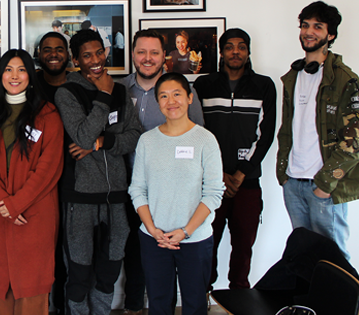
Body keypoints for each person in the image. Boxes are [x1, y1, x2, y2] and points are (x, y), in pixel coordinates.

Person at [53, 29, 141, 315]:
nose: (95, 60)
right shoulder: (67, 92)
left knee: (110, 268)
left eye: (99, 52)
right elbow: (81, 136)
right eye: (86, 55)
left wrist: (102, 143)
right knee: (79, 271)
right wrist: (103, 95)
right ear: (76, 60)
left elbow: (135, 136)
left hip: (116, 196)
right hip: (80, 198)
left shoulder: (121, 91)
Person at [117, 29, 203, 315]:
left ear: (164, 56)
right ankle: (133, 307)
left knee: (165, 257)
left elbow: (198, 139)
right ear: (132, 54)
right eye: (141, 52)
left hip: (167, 195)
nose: (147, 58)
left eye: (154, 52)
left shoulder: (179, 94)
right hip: (124, 187)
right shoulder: (119, 90)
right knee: (132, 253)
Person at [0, 48, 64, 315]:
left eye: (21, 69)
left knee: (33, 286)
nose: (15, 76)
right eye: (8, 70)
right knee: (5, 284)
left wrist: (16, 205)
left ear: (31, 75)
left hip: (34, 213)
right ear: (0, 75)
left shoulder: (47, 115)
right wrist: (4, 203)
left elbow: (48, 169)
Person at [128, 72, 225, 315]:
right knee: (159, 303)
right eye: (163, 96)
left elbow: (213, 193)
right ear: (157, 102)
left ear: (190, 98)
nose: (171, 101)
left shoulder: (206, 140)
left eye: (177, 94)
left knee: (194, 303)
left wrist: (186, 231)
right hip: (154, 238)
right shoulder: (147, 141)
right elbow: (137, 190)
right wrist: (153, 230)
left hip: (195, 238)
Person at [194, 28, 277, 291]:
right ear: (222, 52)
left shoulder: (264, 86)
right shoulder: (204, 85)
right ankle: (203, 296)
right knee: (206, 242)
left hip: (248, 183)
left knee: (243, 247)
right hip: (210, 182)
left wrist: (242, 172)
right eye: (229, 46)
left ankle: (239, 296)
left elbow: (266, 134)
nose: (235, 51)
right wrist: (217, 173)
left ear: (248, 51)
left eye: (241, 46)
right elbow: (198, 131)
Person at [277, 1, 359, 260]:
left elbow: (354, 141)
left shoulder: (345, 79)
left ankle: (344, 303)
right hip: (293, 182)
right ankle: (309, 303)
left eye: (317, 26)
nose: (309, 31)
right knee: (303, 257)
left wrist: (326, 183)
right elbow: (288, 129)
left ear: (330, 35)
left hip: (324, 185)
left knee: (334, 261)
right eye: (305, 25)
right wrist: (284, 175)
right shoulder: (293, 76)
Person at [35, 31, 70, 314]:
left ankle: (62, 306)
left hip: (73, 179)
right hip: (37, 182)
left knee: (66, 249)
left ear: (68, 54)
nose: (54, 54)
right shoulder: (30, 85)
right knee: (41, 249)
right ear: (38, 54)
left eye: (59, 49)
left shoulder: (79, 85)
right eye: (47, 49)